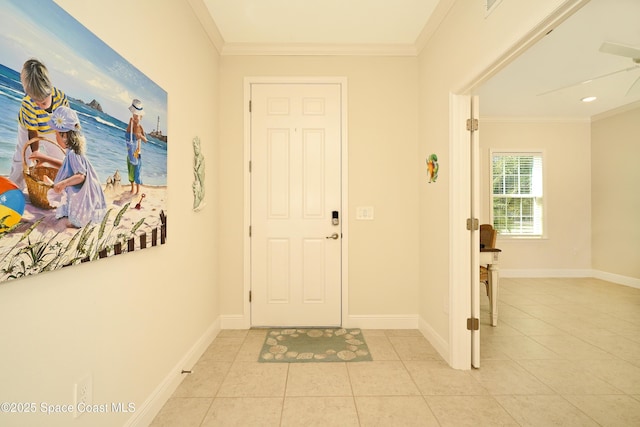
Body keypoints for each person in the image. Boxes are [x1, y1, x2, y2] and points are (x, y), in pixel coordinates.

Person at [29, 107, 106, 228]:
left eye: (56, 134)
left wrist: (62, 183)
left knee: (67, 190)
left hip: (84, 189)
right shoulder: (71, 151)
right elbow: (65, 166)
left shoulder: (73, 153)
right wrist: (45, 159)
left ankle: (73, 218)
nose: (55, 137)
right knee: (64, 186)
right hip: (85, 186)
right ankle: (55, 187)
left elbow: (81, 176)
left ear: (64, 135)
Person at [10, 58, 68, 189]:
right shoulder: (28, 103)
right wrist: (36, 155)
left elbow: (63, 124)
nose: (39, 105)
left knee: (58, 157)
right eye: (35, 101)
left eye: (42, 102)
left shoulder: (61, 98)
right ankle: (15, 187)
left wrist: (62, 140)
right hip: (29, 129)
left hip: (52, 128)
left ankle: (57, 189)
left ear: (49, 91)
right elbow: (33, 131)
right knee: (22, 156)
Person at [125, 99, 147, 194]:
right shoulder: (131, 124)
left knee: (137, 172)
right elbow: (126, 135)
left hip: (138, 154)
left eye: (137, 116)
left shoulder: (141, 128)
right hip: (131, 153)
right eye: (134, 115)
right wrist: (130, 124)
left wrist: (140, 136)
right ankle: (132, 188)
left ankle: (138, 191)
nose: (135, 117)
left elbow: (146, 140)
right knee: (131, 172)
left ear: (141, 117)